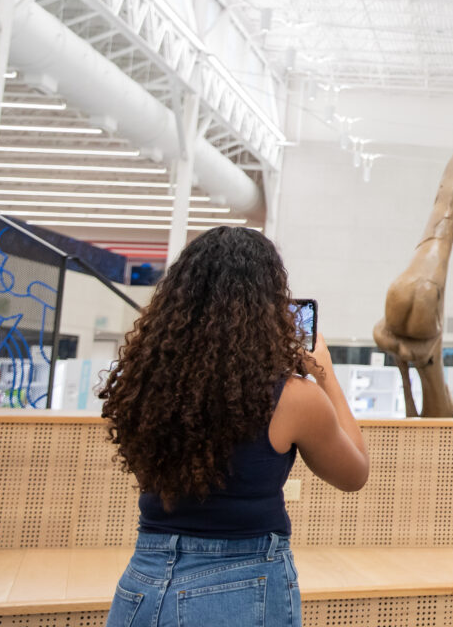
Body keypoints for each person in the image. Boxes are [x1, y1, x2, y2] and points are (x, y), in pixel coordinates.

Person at [99, 226, 369, 627]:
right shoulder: (293, 398)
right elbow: (355, 473)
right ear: (267, 305)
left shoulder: (143, 388)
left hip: (142, 580)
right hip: (242, 586)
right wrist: (325, 376)